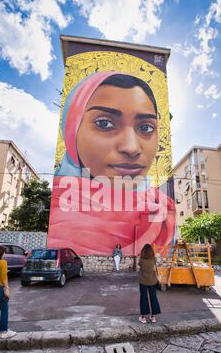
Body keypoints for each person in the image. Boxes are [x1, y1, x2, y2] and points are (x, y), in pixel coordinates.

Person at [48, 71, 175, 254]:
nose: (131, 148)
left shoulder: (162, 208)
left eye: (146, 127)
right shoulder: (61, 206)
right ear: (72, 130)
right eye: (104, 124)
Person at [138, 243, 161, 323]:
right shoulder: (154, 259)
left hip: (143, 281)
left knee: (143, 298)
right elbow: (155, 264)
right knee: (153, 297)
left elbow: (139, 265)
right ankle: (153, 317)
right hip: (152, 281)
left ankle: (143, 317)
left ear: (143, 251)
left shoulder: (141, 259)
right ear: (151, 251)